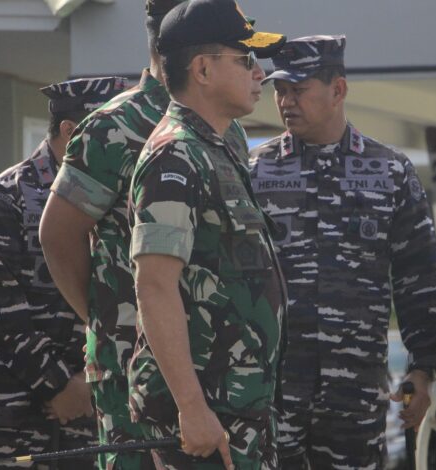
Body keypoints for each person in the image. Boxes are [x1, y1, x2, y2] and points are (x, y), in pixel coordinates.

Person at [39, 1, 253, 468]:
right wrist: (107, 320)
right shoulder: (114, 125)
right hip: (133, 369)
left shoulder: (226, 128)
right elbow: (58, 236)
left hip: (215, 366)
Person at [248, 35, 436, 469]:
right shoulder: (254, 170)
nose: (285, 102)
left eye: (298, 89)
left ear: (338, 89)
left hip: (355, 391)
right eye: (280, 90)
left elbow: (418, 277)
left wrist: (423, 367)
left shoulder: (389, 170)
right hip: (274, 388)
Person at [126, 0, 286, 468]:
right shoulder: (175, 157)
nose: (259, 74)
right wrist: (192, 408)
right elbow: (155, 286)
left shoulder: (216, 147)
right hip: (205, 413)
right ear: (202, 69)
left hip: (237, 406)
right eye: (245, 59)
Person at [0, 77, 127, 469]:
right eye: (110, 131)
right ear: (71, 131)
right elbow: (2, 312)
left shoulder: (117, 198)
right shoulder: (3, 197)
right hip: (6, 415)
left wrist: (88, 385)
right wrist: (61, 386)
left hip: (88, 411)